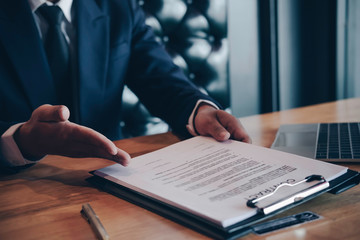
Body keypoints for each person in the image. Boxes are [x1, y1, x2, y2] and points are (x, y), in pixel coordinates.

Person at [0, 0, 251, 169]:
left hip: (112, 170)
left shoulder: (118, 6)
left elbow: (159, 75)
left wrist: (199, 111)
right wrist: (20, 140)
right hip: (18, 181)